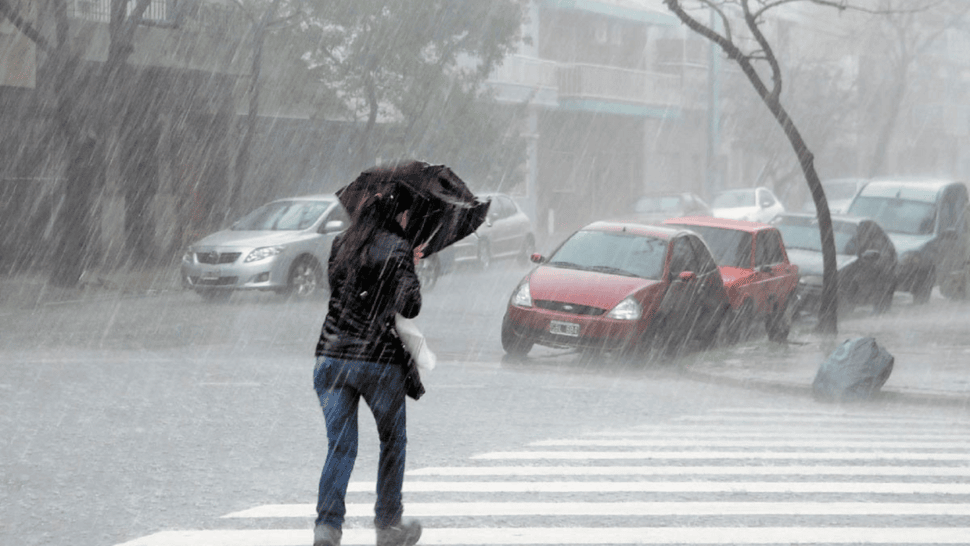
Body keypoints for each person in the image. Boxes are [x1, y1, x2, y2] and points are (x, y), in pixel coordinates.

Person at [312, 184, 424, 546]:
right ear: (396, 214)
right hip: (377, 362)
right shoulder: (398, 246)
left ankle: (327, 528)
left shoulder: (340, 243)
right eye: (405, 213)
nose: (408, 219)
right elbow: (410, 306)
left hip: (331, 358)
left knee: (340, 447)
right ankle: (388, 525)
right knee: (393, 441)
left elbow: (341, 289)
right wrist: (408, 266)